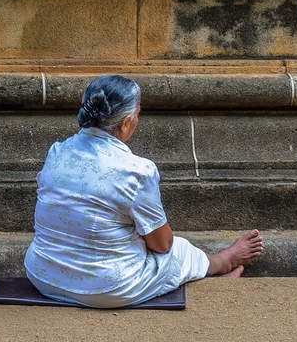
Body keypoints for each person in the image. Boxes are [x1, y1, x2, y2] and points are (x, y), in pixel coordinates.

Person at [24, 75, 265, 308]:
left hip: (43, 277)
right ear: (126, 122)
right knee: (179, 250)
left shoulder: (57, 152)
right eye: (138, 114)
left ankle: (207, 273)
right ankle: (221, 262)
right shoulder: (136, 171)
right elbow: (162, 245)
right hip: (105, 290)